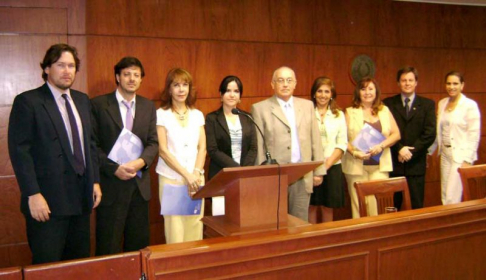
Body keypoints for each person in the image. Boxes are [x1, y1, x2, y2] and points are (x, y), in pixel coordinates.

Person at [8, 44, 101, 264]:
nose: (67, 71)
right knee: (46, 267)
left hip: (81, 199)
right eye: (61, 65)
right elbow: (20, 151)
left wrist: (95, 181)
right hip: (47, 202)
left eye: (71, 66)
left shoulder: (82, 100)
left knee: (78, 265)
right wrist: (32, 193)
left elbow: (90, 144)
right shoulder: (28, 102)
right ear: (47, 68)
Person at [91, 57, 158, 255]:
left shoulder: (148, 106)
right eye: (127, 74)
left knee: (138, 247)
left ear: (141, 80)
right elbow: (92, 145)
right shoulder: (98, 105)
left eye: (136, 75)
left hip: (139, 187)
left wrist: (141, 162)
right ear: (117, 77)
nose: (132, 79)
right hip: (111, 187)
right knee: (108, 246)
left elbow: (153, 143)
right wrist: (114, 169)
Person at [251, 66, 325, 222]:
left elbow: (315, 139)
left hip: (302, 173)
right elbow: (259, 147)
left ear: (295, 84)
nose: (285, 84)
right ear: (272, 84)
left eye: (289, 80)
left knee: (300, 223)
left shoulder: (307, 106)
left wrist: (318, 170)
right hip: (275, 176)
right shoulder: (260, 109)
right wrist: (261, 177)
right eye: (280, 80)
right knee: (274, 222)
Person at [156, 68, 206, 243]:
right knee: (174, 229)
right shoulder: (161, 115)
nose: (181, 89)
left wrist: (196, 174)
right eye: (176, 85)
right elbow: (163, 151)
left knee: (195, 225)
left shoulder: (197, 115)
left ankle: (193, 269)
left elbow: (202, 148)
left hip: (196, 180)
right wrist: (187, 176)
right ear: (169, 89)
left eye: (185, 85)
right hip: (171, 179)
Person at [342, 77, 400, 218]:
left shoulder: (384, 110)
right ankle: (360, 235)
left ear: (376, 91)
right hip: (356, 165)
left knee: (376, 203)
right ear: (358, 92)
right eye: (363, 89)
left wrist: (381, 146)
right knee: (359, 204)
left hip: (380, 165)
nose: (367, 92)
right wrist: (355, 153)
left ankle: (375, 235)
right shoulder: (349, 112)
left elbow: (396, 134)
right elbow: (342, 139)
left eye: (370, 89)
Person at [383, 67, 436, 209]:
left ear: (416, 82)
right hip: (395, 162)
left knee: (417, 205)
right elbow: (385, 132)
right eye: (403, 80)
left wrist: (410, 152)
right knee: (393, 206)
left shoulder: (427, 105)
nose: (407, 83)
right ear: (398, 83)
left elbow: (430, 133)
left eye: (410, 80)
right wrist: (400, 149)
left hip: (416, 164)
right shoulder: (387, 104)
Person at [205, 76, 257, 215]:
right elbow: (213, 150)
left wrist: (243, 171)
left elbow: (253, 148)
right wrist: (236, 169)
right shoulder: (212, 119)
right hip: (221, 176)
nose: (232, 94)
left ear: (240, 96)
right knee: (221, 220)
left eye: (236, 91)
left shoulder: (248, 118)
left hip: (244, 178)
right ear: (221, 95)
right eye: (228, 90)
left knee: (243, 217)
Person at [428, 71, 480, 205]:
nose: (452, 87)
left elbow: (474, 134)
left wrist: (467, 159)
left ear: (462, 85)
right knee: (445, 193)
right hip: (445, 154)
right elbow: (438, 131)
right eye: (449, 83)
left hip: (460, 155)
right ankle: (447, 223)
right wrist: (429, 151)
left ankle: (454, 223)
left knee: (453, 195)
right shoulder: (442, 103)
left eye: (455, 83)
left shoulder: (470, 105)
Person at [308, 77, 347, 223]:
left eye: (327, 91)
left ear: (332, 94)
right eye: (319, 91)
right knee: (311, 206)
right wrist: (316, 168)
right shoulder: (306, 113)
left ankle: (326, 243)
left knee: (327, 207)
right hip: (311, 167)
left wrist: (325, 166)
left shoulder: (338, 115)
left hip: (332, 167)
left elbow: (342, 144)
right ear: (313, 94)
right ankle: (310, 242)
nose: (323, 95)